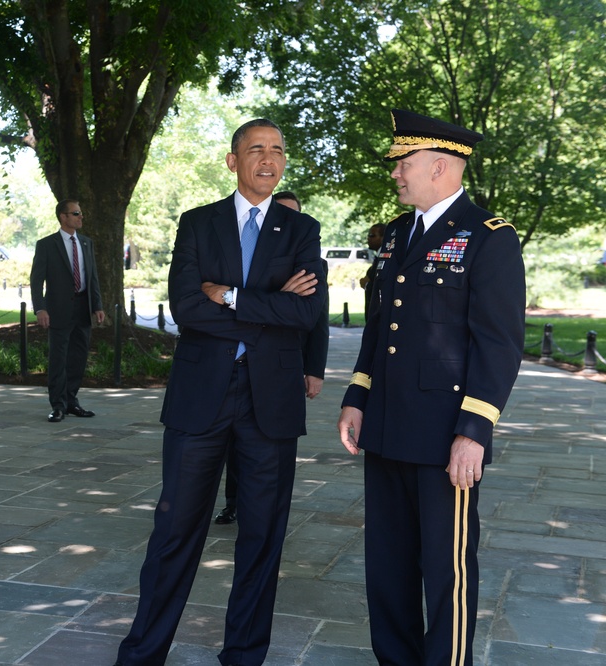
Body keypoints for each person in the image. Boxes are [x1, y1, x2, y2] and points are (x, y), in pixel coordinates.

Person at [113, 119, 326, 666]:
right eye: (256, 149)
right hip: (200, 397)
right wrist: (266, 305)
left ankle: (244, 656)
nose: (268, 159)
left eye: (277, 150)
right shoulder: (198, 224)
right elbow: (186, 308)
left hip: (270, 404)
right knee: (175, 531)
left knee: (261, 539)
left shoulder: (301, 231)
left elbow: (305, 313)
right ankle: (142, 653)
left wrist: (229, 296)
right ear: (232, 161)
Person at [337, 109, 525, 666]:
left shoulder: (489, 237)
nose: (395, 173)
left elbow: (499, 344)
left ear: (440, 166)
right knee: (387, 567)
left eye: (405, 163)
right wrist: (356, 396)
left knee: (446, 571)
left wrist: (474, 431)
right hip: (388, 426)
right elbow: (380, 327)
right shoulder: (397, 235)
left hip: (446, 437)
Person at [214, 189, 329, 526]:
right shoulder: (243, 257)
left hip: (282, 363)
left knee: (268, 446)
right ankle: (233, 501)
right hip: (236, 362)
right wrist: (279, 300)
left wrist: (315, 369)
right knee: (235, 445)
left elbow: (315, 320)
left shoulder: (312, 265)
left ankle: (259, 511)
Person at [30, 199, 105, 422]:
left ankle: (72, 401)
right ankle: (58, 405)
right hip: (58, 310)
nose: (81, 217)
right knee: (58, 359)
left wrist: (98, 305)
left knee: (78, 358)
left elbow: (92, 277)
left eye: (80, 213)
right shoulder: (46, 245)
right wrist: (40, 309)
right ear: (63, 217)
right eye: (76, 213)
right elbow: (36, 281)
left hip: (83, 308)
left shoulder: (86, 243)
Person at [359, 223, 386, 318]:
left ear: (384, 237)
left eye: (372, 235)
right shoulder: (378, 257)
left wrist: (366, 284)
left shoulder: (386, 259)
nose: (368, 238)